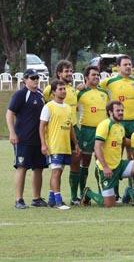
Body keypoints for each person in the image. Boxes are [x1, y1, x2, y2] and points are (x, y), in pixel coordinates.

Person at [81, 101, 134, 207]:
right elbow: (97, 147)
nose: (121, 112)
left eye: (122, 110)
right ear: (110, 112)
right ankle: (88, 193)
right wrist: (105, 167)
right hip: (105, 169)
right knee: (108, 204)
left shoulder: (120, 127)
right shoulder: (104, 125)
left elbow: (126, 142)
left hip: (119, 165)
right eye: (118, 110)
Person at [99, 55, 134, 201]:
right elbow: (94, 85)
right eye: (125, 64)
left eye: (130, 64)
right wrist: (83, 85)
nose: (128, 67)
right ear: (118, 67)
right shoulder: (109, 81)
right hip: (118, 123)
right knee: (115, 155)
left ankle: (133, 189)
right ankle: (114, 191)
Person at [6, 69, 48, 209]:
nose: (36, 80)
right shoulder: (20, 94)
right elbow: (9, 113)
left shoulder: (41, 94)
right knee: (22, 167)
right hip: (23, 139)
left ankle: (36, 198)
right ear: (25, 80)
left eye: (37, 77)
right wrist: (12, 133)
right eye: (33, 77)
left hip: (39, 139)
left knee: (39, 168)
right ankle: (19, 199)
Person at [43, 60, 81, 205]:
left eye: (71, 71)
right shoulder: (50, 89)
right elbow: (46, 106)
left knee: (71, 163)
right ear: (59, 73)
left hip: (71, 129)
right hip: (56, 132)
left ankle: (72, 196)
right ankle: (54, 198)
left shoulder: (72, 90)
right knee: (56, 168)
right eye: (66, 71)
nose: (69, 73)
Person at [76, 66, 109, 200]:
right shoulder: (80, 93)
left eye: (98, 75)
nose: (96, 77)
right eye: (93, 75)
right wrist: (78, 87)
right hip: (87, 130)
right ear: (86, 77)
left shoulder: (104, 93)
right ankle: (81, 192)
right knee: (85, 161)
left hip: (102, 131)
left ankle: (103, 190)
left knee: (101, 161)